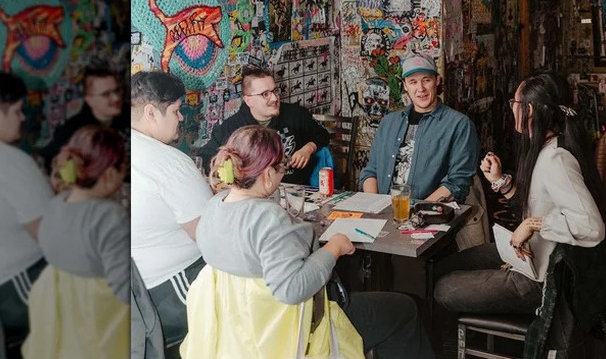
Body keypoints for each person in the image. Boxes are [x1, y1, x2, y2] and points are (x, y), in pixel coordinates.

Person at [181, 126, 435, 359]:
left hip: (236, 330)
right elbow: (292, 289)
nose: (283, 173)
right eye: (282, 168)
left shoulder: (215, 206)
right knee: (404, 309)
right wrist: (333, 248)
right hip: (290, 330)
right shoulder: (267, 218)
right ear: (268, 174)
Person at [434, 71, 606, 315]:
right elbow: (538, 205)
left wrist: (533, 224)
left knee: (444, 288)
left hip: (542, 278)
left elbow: (592, 227)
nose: (511, 108)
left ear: (530, 110)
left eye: (515, 102)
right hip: (529, 252)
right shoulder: (543, 148)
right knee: (445, 266)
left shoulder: (556, 159)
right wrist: (502, 182)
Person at [22, 125, 129, 359]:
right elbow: (124, 290)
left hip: (58, 319)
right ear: (110, 173)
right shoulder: (108, 216)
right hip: (98, 323)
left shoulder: (56, 203)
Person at [130, 71, 212, 350]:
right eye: (177, 110)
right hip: (167, 293)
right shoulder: (169, 163)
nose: (181, 118)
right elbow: (210, 237)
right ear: (151, 112)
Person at [0, 72, 53, 351]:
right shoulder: (9, 161)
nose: (23, 118)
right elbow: (51, 236)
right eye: (17, 110)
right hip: (13, 289)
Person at [359, 54, 479, 201]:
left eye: (426, 80)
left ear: (437, 80)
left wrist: (418, 211)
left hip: (430, 213)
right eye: (413, 82)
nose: (420, 88)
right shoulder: (388, 123)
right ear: (405, 85)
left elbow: (458, 182)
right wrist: (374, 206)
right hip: (385, 212)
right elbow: (371, 171)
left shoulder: (459, 124)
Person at [198, 68, 329, 185]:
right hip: (252, 195)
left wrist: (308, 148)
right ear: (249, 100)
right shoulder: (232, 127)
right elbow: (205, 157)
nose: (274, 98)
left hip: (296, 189)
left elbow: (322, 135)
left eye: (274, 91)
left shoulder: (295, 114)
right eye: (265, 94)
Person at [39, 66, 127, 173]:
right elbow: (49, 160)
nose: (116, 98)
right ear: (89, 100)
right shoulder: (72, 130)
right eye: (106, 94)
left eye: (117, 90)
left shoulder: (135, 116)